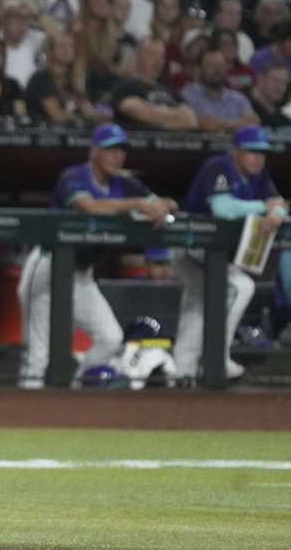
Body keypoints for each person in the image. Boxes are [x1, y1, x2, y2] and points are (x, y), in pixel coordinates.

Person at [16, 124, 177, 388]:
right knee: (38, 356)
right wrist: (138, 204)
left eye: (121, 150)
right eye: (111, 149)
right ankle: (24, 408)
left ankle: (79, 386)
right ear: (94, 151)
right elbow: (89, 206)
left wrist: (162, 206)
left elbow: (167, 203)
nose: (118, 156)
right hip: (48, 265)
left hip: (81, 273)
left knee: (110, 338)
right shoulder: (73, 176)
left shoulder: (126, 184)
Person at [176, 126, 286, 381]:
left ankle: (183, 369)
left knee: (198, 302)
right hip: (189, 246)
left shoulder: (260, 176)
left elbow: (279, 203)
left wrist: (277, 213)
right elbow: (223, 209)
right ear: (235, 151)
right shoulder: (218, 166)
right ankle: (216, 358)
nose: (258, 158)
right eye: (251, 151)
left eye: (262, 153)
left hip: (212, 252)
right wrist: (263, 207)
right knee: (239, 287)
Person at [109, 38, 198, 131]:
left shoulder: (169, 89)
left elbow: (191, 120)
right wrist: (176, 116)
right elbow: (133, 109)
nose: (158, 61)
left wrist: (155, 117)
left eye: (162, 56)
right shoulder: (126, 85)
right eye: (152, 55)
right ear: (138, 57)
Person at [180, 47, 259, 133]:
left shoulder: (238, 98)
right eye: (211, 65)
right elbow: (202, 123)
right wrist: (239, 124)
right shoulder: (189, 95)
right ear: (199, 69)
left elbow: (253, 123)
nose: (217, 70)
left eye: (221, 65)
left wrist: (220, 124)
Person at [250, 65, 291, 130]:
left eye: (284, 82)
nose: (280, 87)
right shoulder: (244, 106)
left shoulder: (283, 110)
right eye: (275, 81)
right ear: (260, 80)